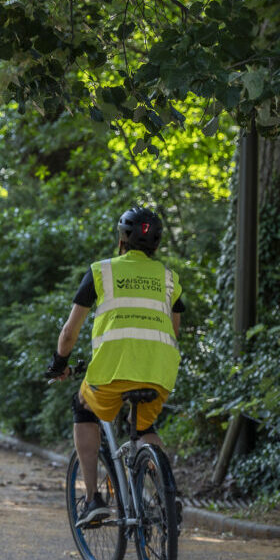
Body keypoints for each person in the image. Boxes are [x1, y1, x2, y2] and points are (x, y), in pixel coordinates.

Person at [45, 207, 184, 528]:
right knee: (145, 429)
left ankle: (93, 499)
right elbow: (174, 332)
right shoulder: (169, 279)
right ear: (156, 244)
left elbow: (69, 332)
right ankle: (168, 495)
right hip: (159, 373)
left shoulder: (101, 272)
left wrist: (59, 364)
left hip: (111, 372)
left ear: (122, 239)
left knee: (83, 408)